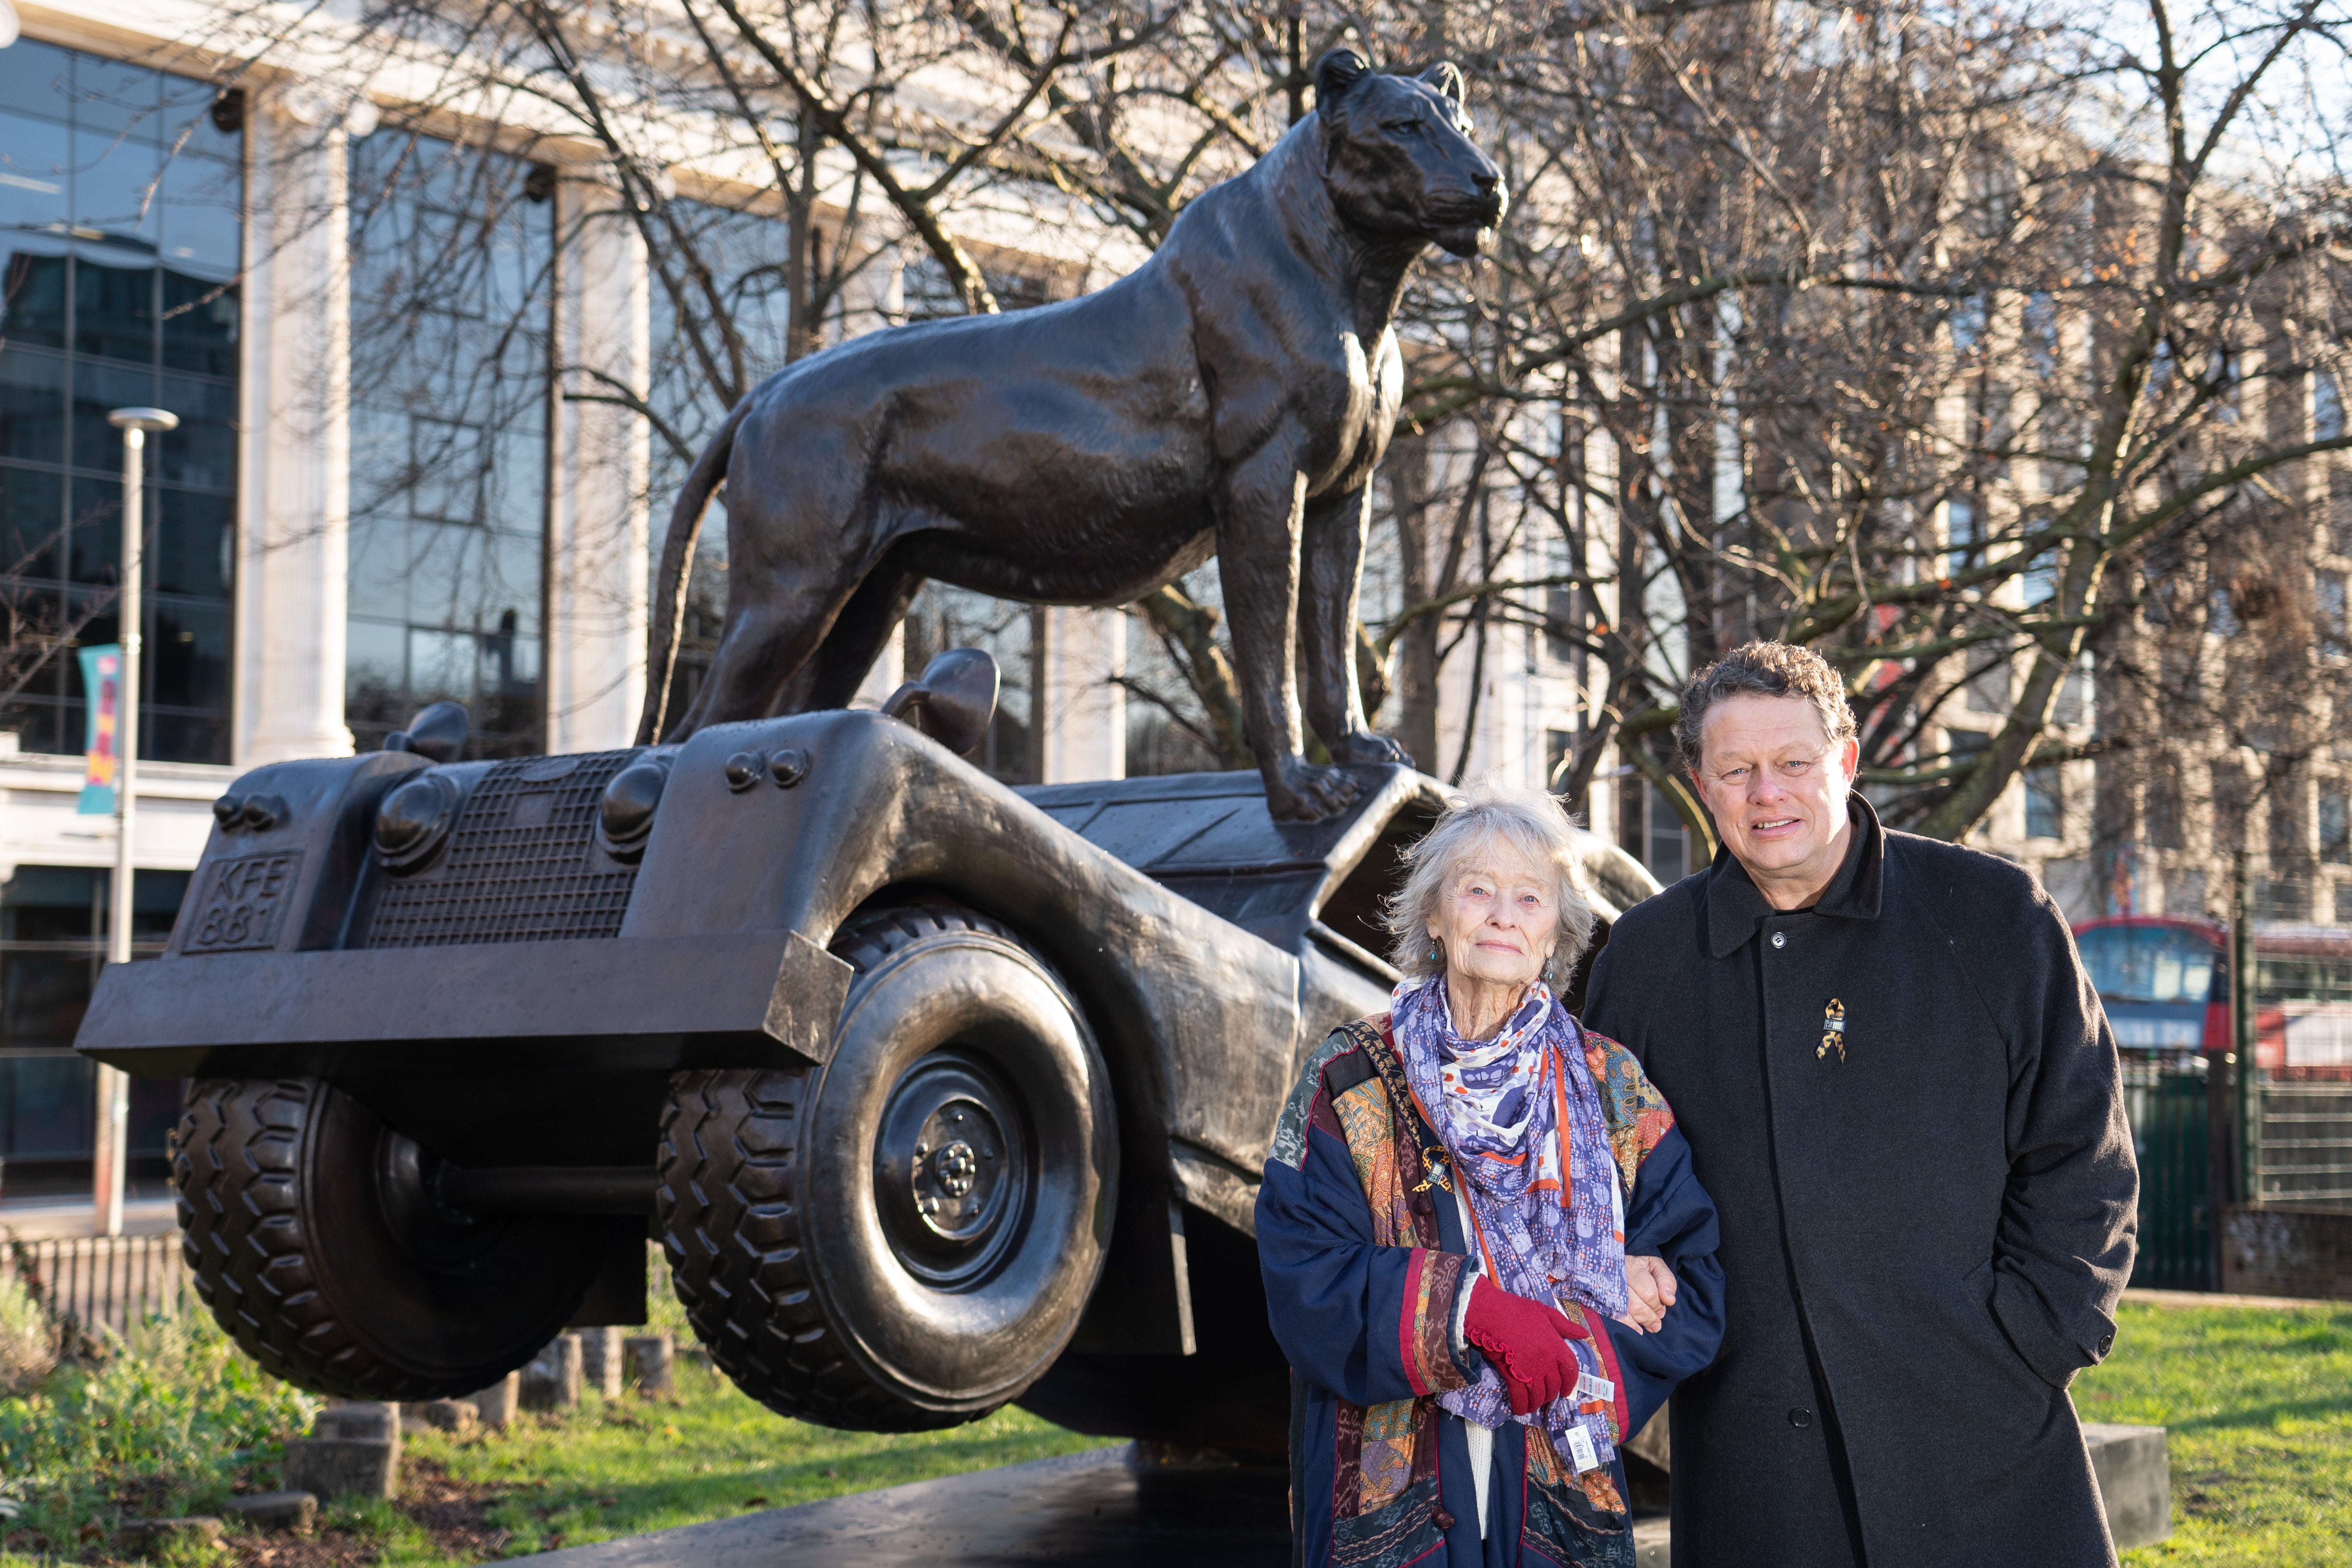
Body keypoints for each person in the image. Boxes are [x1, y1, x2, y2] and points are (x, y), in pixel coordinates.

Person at [1582, 641, 2139, 1568]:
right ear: (1700, 785)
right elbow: (1597, 1175)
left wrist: (2039, 1334)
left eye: (1793, 762)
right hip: (1752, 1452)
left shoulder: (1993, 914)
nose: (1768, 792)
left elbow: (2082, 1147)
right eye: (1736, 769)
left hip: (1979, 1425)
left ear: (1844, 760)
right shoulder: (1643, 956)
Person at [1259, 786, 1724, 1567]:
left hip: (1560, 1495)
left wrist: (1584, 1338)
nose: (1502, 913)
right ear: (1434, 917)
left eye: (1529, 895)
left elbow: (1694, 1281)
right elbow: (1302, 1273)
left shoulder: (1614, 1088)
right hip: (1384, 1502)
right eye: (1476, 889)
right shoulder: (1348, 1082)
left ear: (1555, 933)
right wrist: (1471, 1312)